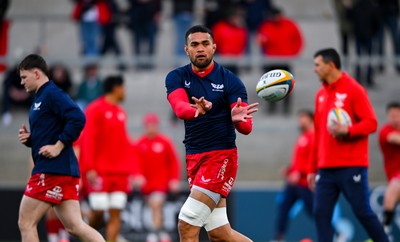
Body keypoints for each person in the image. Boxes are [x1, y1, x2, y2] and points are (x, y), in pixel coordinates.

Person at [165, 25, 259, 242]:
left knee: (187, 224)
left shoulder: (230, 81)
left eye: (205, 44)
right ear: (186, 49)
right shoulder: (177, 77)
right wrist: (195, 109)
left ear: (214, 47)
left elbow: (246, 128)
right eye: (195, 44)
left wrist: (238, 119)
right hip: (194, 157)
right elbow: (180, 108)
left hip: (220, 158)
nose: (200, 48)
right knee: (219, 233)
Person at [17, 54, 105, 241]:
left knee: (26, 222)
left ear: (37, 74)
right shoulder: (41, 97)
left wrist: (58, 146)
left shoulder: (51, 93)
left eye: (24, 77)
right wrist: (32, 140)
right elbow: (51, 130)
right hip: (62, 170)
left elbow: (78, 117)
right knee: (75, 226)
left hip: (51, 170)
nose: (22, 82)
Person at [307, 48, 388, 242]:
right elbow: (318, 133)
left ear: (331, 65)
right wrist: (311, 168)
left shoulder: (354, 89)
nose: (314, 70)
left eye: (317, 65)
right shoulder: (320, 94)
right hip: (326, 168)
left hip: (351, 165)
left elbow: (372, 122)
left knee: (362, 212)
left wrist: (348, 130)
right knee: (320, 213)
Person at [79, 75, 138, 242]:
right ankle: (90, 239)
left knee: (116, 212)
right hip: (100, 171)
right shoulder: (95, 108)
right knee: (98, 210)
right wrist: (89, 167)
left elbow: (124, 143)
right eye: (123, 87)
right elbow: (88, 139)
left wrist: (132, 170)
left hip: (119, 173)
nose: (124, 91)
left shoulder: (120, 112)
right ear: (115, 88)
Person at [135, 113, 181, 242]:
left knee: (156, 205)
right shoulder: (140, 143)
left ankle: (155, 234)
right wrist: (137, 176)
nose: (151, 128)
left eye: (153, 125)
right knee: (154, 208)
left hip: (161, 183)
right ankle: (160, 233)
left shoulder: (164, 142)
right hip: (146, 185)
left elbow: (174, 162)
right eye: (149, 125)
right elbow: (134, 163)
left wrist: (174, 179)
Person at [273, 110, 314, 241]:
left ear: (311, 119)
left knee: (315, 212)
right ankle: (278, 237)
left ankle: (332, 234)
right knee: (283, 209)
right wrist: (290, 170)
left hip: (305, 183)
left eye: (303, 117)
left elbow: (314, 160)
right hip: (294, 184)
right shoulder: (302, 137)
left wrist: (300, 173)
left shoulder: (314, 137)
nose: (300, 120)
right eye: (299, 117)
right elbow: (299, 162)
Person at [256, 7, 303, 115]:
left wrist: (293, 53)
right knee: (269, 85)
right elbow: (261, 41)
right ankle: (271, 107)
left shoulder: (290, 25)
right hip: (271, 61)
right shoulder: (266, 26)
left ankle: (286, 107)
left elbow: (298, 39)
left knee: (287, 84)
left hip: (285, 60)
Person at [379, 102, 400, 236]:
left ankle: (383, 230)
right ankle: (383, 231)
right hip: (392, 174)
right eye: (392, 115)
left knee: (392, 193)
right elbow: (395, 139)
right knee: (389, 200)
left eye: (397, 114)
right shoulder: (385, 131)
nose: (395, 117)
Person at [211, 5, 248, 75]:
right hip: (222, 60)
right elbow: (213, 43)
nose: (239, 20)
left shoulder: (242, 30)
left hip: (235, 61)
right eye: (237, 17)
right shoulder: (220, 27)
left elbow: (243, 45)